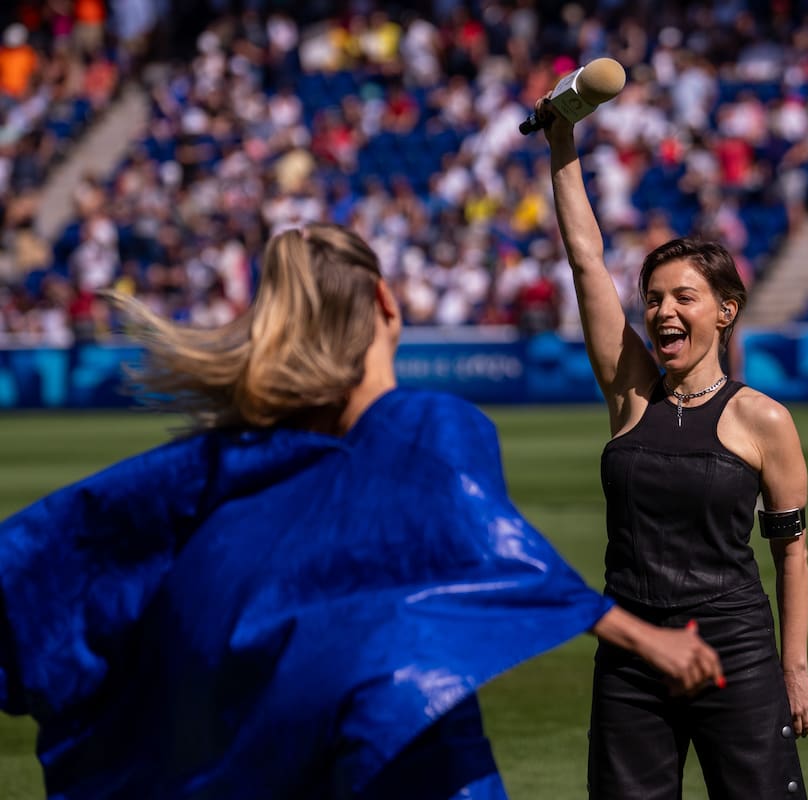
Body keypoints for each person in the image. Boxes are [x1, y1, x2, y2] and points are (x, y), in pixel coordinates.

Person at [0, 223, 722, 799]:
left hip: (265, 755)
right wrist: (647, 639)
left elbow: (46, 557)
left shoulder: (224, 461)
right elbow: (493, 539)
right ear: (386, 302)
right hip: (398, 741)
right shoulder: (425, 426)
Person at [539, 97, 808, 799]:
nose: (664, 311)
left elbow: (791, 551)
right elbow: (585, 261)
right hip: (632, 656)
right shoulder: (632, 393)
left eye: (684, 298)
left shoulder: (764, 421)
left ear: (725, 311)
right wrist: (561, 139)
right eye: (654, 298)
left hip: (737, 654)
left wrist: (794, 665)